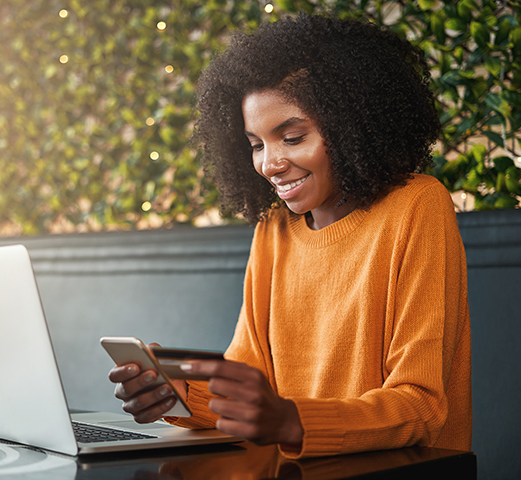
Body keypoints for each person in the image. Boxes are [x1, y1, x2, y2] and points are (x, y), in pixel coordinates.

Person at [108, 12, 471, 459]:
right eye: (256, 145)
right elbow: (250, 381)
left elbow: (420, 405)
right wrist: (177, 392)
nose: (270, 164)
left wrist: (291, 421)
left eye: (293, 137)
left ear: (353, 126)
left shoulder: (418, 205)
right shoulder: (274, 228)